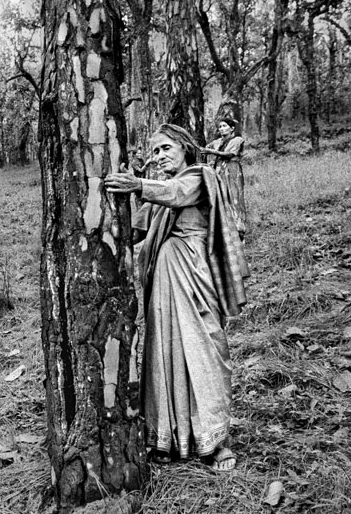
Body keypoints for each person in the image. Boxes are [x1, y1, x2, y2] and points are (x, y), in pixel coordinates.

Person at [104, 124, 249, 472]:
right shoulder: (156, 197)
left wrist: (138, 185)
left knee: (204, 351)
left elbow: (175, 192)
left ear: (185, 148)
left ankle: (214, 441)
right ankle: (167, 438)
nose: (159, 156)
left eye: (166, 148)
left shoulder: (200, 177)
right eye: (154, 152)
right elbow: (134, 230)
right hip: (163, 283)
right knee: (164, 353)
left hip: (196, 277)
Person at [202, 118, 247, 238]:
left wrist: (210, 151)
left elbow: (230, 154)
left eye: (224, 126)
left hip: (232, 170)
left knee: (233, 196)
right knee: (220, 196)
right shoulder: (217, 142)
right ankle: (223, 227)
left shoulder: (237, 140)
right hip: (219, 170)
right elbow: (205, 148)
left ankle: (238, 228)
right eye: (220, 127)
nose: (221, 129)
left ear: (232, 128)